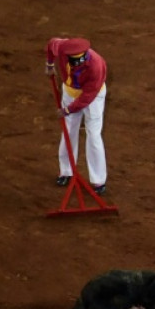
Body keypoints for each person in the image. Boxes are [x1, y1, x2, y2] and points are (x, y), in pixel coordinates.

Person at [45, 37, 108, 194]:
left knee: (93, 134)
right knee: (68, 130)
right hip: (70, 91)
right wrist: (49, 64)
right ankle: (66, 171)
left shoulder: (96, 66)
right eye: (74, 62)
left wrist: (67, 110)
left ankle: (98, 181)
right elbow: (51, 44)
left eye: (80, 62)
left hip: (93, 98)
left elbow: (87, 97)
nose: (77, 65)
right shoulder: (62, 48)